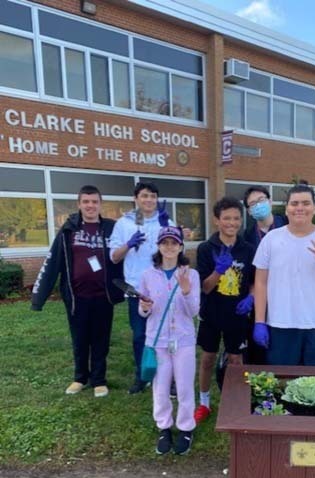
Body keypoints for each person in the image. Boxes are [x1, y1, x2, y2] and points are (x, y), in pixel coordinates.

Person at [31, 185, 124, 397]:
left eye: (94, 202)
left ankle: (99, 380)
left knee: (101, 339)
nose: (90, 206)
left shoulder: (112, 228)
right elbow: (53, 261)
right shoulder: (68, 229)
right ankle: (80, 378)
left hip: (103, 296)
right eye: (86, 202)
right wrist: (39, 298)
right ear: (79, 204)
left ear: (100, 204)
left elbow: (133, 243)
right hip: (76, 297)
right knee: (80, 338)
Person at [253, 181, 315, 366]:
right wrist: (259, 322)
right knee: (281, 385)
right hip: (281, 324)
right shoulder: (271, 239)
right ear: (286, 209)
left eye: (306, 203)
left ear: (314, 209)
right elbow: (260, 283)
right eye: (294, 203)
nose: (300, 208)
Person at [138, 226, 200, 455]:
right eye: (165, 243)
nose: (170, 247)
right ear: (159, 246)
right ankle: (164, 427)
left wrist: (185, 291)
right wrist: (144, 308)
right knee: (161, 387)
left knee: (184, 386)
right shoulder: (147, 275)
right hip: (158, 340)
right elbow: (143, 311)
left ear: (181, 246)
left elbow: (194, 311)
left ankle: (185, 428)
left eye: (174, 243)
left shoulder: (190, 275)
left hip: (183, 339)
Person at [109, 181, 173, 394]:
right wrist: (128, 244)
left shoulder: (165, 221)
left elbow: (176, 250)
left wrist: (170, 228)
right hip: (137, 290)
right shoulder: (125, 223)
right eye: (144, 196)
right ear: (136, 199)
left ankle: (168, 377)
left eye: (153, 196)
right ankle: (142, 375)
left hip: (162, 288)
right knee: (140, 335)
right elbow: (114, 258)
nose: (149, 200)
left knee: (165, 333)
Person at [195, 196, 254, 423]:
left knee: (236, 359)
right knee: (208, 358)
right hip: (211, 313)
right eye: (227, 218)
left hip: (237, 314)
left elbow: (252, 281)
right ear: (217, 220)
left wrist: (250, 298)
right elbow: (205, 287)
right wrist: (218, 271)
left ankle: (236, 401)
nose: (232, 223)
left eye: (237, 218)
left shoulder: (247, 249)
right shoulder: (205, 248)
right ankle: (204, 402)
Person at [241, 185, 287, 365]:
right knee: (260, 351)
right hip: (262, 299)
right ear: (249, 211)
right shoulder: (247, 237)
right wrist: (251, 295)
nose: (258, 205)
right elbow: (251, 274)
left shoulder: (287, 224)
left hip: (289, 295)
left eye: (261, 201)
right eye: (252, 204)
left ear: (270, 201)